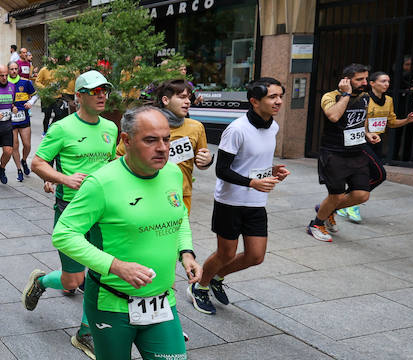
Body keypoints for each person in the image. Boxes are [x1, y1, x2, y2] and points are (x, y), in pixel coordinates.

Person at [54, 106, 202, 360]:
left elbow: (178, 214)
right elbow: (64, 233)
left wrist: (186, 251)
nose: (163, 148)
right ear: (126, 141)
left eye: (167, 139)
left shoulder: (169, 173)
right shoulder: (102, 183)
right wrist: (114, 265)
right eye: (151, 140)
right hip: (112, 302)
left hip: (160, 302)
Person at [23, 71, 119, 359]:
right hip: (71, 211)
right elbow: (37, 163)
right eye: (94, 91)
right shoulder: (62, 128)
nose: (102, 95)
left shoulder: (110, 129)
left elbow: (111, 163)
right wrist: (63, 179)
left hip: (104, 212)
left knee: (100, 272)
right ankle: (41, 281)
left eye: (105, 90)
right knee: (72, 281)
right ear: (78, 96)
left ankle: (85, 332)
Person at [189, 78, 289, 314]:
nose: (278, 101)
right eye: (272, 97)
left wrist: (271, 171)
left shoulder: (272, 127)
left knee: (255, 256)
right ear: (255, 101)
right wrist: (253, 182)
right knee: (227, 253)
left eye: (280, 96)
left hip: (256, 202)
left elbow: (252, 164)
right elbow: (221, 170)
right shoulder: (236, 129)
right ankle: (200, 287)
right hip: (230, 202)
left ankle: (216, 277)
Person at [337, 70, 413, 224]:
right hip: (361, 141)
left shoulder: (388, 100)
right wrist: (367, 133)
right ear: (372, 83)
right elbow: (359, 121)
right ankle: (352, 203)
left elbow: (391, 122)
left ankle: (346, 202)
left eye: (388, 81)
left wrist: (407, 120)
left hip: (377, 141)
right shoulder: (364, 98)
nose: (387, 84)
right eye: (383, 81)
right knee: (376, 174)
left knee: (369, 174)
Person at [309, 64, 373, 242]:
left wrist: (368, 134)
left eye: (365, 78)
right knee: (336, 195)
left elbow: (362, 119)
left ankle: (327, 209)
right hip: (334, 153)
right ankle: (316, 224)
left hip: (357, 153)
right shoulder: (330, 96)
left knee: (362, 195)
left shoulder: (365, 97)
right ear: (346, 80)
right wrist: (345, 94)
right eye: (359, 79)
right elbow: (333, 116)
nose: (364, 83)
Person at [135, 80, 213, 214]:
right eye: (182, 97)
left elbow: (201, 164)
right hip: (148, 193)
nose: (188, 101)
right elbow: (120, 156)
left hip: (181, 195)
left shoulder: (196, 127)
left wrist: (207, 161)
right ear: (165, 100)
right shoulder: (144, 124)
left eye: (189, 97)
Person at [10, 64, 36, 180]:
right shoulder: (6, 84)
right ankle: (19, 170)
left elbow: (35, 95)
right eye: (12, 69)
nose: (14, 71)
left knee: (27, 144)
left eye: (16, 69)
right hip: (11, 119)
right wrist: (10, 107)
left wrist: (30, 103)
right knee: (14, 146)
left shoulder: (25, 82)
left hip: (24, 117)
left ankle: (24, 160)